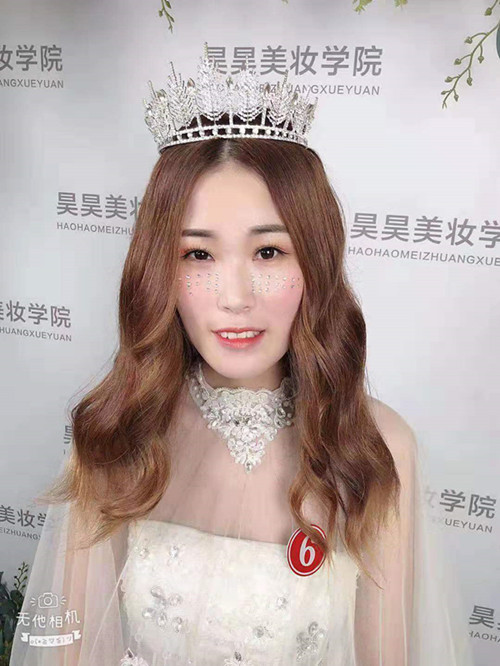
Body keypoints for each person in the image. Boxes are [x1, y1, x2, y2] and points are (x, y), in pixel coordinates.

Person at [9, 43, 473, 666]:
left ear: (314, 261)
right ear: (159, 269)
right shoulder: (118, 433)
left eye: (268, 252)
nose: (234, 297)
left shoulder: (375, 446)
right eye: (198, 254)